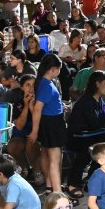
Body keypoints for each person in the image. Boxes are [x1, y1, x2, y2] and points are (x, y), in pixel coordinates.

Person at [31, 54, 66, 195]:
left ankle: (49, 186)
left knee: (46, 154)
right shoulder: (46, 84)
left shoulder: (42, 82)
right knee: (55, 158)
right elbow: (38, 108)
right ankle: (57, 191)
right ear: (53, 69)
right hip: (52, 123)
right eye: (59, 69)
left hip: (49, 120)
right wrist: (34, 131)